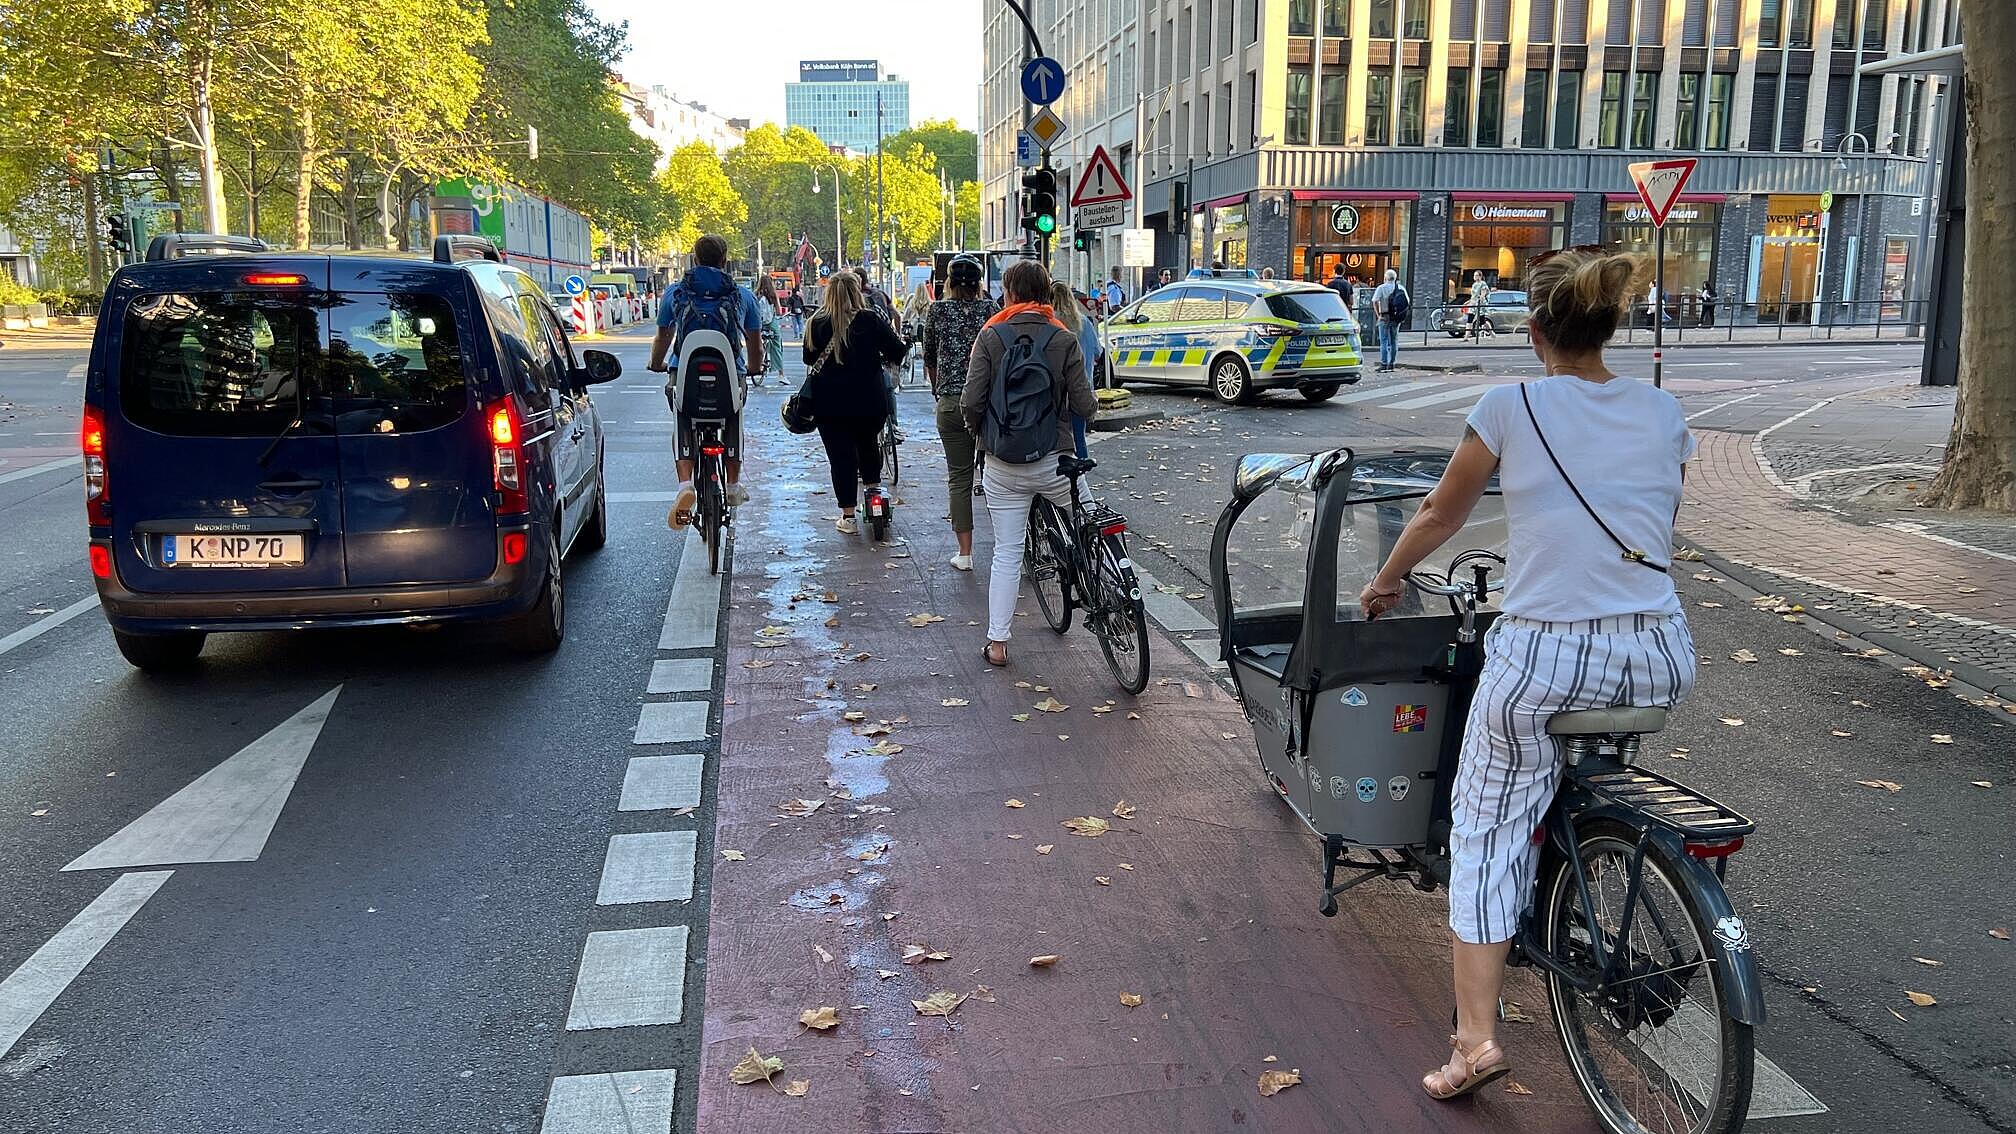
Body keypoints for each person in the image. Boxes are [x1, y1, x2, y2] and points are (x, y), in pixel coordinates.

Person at [1357, 248, 1695, 1103]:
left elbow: (1441, 510)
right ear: (1610, 326)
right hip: (1657, 653)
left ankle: (1474, 1041)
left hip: (1547, 654)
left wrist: (1388, 578)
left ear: (1535, 330)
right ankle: (1584, 847)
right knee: (1562, 753)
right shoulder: (1663, 412)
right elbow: (1655, 517)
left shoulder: (1508, 406)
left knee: (1484, 825)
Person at [961, 260, 1097, 668]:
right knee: (1089, 518)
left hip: (1003, 464)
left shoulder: (990, 335)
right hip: (1055, 460)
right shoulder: (1063, 337)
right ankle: (1113, 590)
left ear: (1009, 293)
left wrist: (981, 434)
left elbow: (971, 402)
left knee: (1007, 551)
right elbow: (1085, 404)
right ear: (1045, 293)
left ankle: (998, 644)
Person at [649, 234, 763, 528]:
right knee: (734, 413)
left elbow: (664, 335)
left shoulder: (675, 293)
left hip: (684, 373)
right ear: (725, 261)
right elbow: (754, 341)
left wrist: (657, 363)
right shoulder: (742, 295)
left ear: (695, 259)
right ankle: (734, 485)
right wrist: (752, 367)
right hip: (730, 374)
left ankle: (685, 484)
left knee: (683, 416)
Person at [803, 272, 910, 535]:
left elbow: (808, 358)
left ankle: (848, 516)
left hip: (829, 403)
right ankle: (874, 495)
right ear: (857, 291)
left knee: (840, 457)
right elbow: (897, 351)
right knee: (868, 444)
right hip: (869, 400)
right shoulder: (870, 319)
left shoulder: (816, 322)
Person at [923, 255, 998, 572]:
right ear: (980, 284)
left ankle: (965, 554)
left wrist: (939, 388)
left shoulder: (937, 311)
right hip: (989, 405)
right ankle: (1012, 549)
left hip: (952, 404)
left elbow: (929, 356)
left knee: (959, 479)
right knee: (1000, 478)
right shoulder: (990, 310)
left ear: (948, 283)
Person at [1049, 281, 1098, 459]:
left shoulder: (1050, 324)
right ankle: (1081, 476)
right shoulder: (1084, 322)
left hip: (1056, 391)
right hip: (1082, 388)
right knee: (1079, 438)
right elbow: (1097, 352)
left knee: (1056, 438)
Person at [1372, 268, 1407, 372]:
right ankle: (1392, 363)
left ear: (1385, 278)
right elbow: (1407, 302)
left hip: (1384, 316)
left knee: (1384, 341)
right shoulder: (1400, 288)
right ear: (1395, 278)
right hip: (1396, 318)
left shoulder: (1381, 288)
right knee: (1394, 341)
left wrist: (1378, 315)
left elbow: (1374, 301)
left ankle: (1384, 363)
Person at [754, 275, 785, 376]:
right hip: (771, 324)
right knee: (777, 345)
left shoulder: (756, 294)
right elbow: (779, 311)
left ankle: (756, 363)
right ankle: (781, 374)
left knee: (757, 342)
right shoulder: (773, 295)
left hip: (759, 324)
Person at [1467, 270, 1493, 341]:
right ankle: (1466, 337)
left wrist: (1479, 301)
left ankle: (1491, 332)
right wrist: (1469, 302)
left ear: (1480, 276)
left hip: (1479, 305)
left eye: (1476, 275)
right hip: (1473, 304)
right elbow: (1473, 296)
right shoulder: (1474, 284)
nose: (1474, 277)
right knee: (1469, 319)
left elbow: (1483, 294)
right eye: (1474, 275)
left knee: (1482, 322)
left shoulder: (1483, 284)